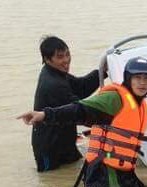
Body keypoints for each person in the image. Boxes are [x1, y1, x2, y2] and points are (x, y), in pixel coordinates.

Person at [17, 57, 147, 187]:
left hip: (124, 170)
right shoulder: (113, 98)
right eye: (137, 78)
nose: (142, 82)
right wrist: (45, 115)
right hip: (103, 172)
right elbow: (78, 111)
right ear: (128, 78)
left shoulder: (142, 105)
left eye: (146, 78)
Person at [29, 35, 102, 172]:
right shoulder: (53, 84)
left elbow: (81, 87)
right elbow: (81, 111)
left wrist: (103, 71)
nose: (66, 60)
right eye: (60, 57)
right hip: (48, 147)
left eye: (67, 54)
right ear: (47, 59)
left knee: (65, 179)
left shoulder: (56, 73)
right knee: (49, 180)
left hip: (65, 140)